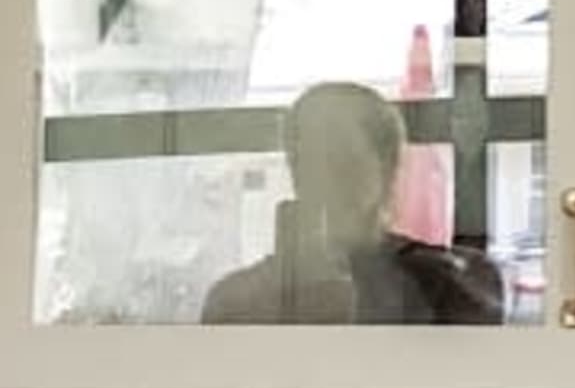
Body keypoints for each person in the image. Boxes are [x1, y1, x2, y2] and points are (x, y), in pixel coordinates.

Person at [200, 78, 506, 326]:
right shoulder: (238, 300)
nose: (324, 178)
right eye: (307, 161)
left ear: (386, 167)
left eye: (343, 160)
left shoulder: (440, 283)